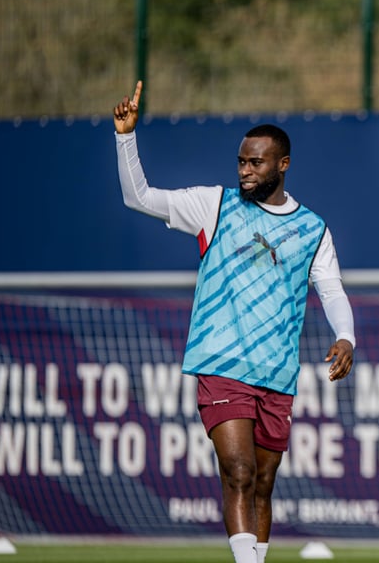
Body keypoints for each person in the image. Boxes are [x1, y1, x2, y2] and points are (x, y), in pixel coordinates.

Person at [113, 81, 356, 563]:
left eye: (256, 162)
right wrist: (125, 137)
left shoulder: (313, 228)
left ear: (282, 165)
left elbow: (330, 289)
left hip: (277, 374)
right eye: (242, 161)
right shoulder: (215, 205)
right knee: (240, 471)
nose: (245, 170)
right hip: (221, 364)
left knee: (263, 483)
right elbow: (138, 196)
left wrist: (345, 335)